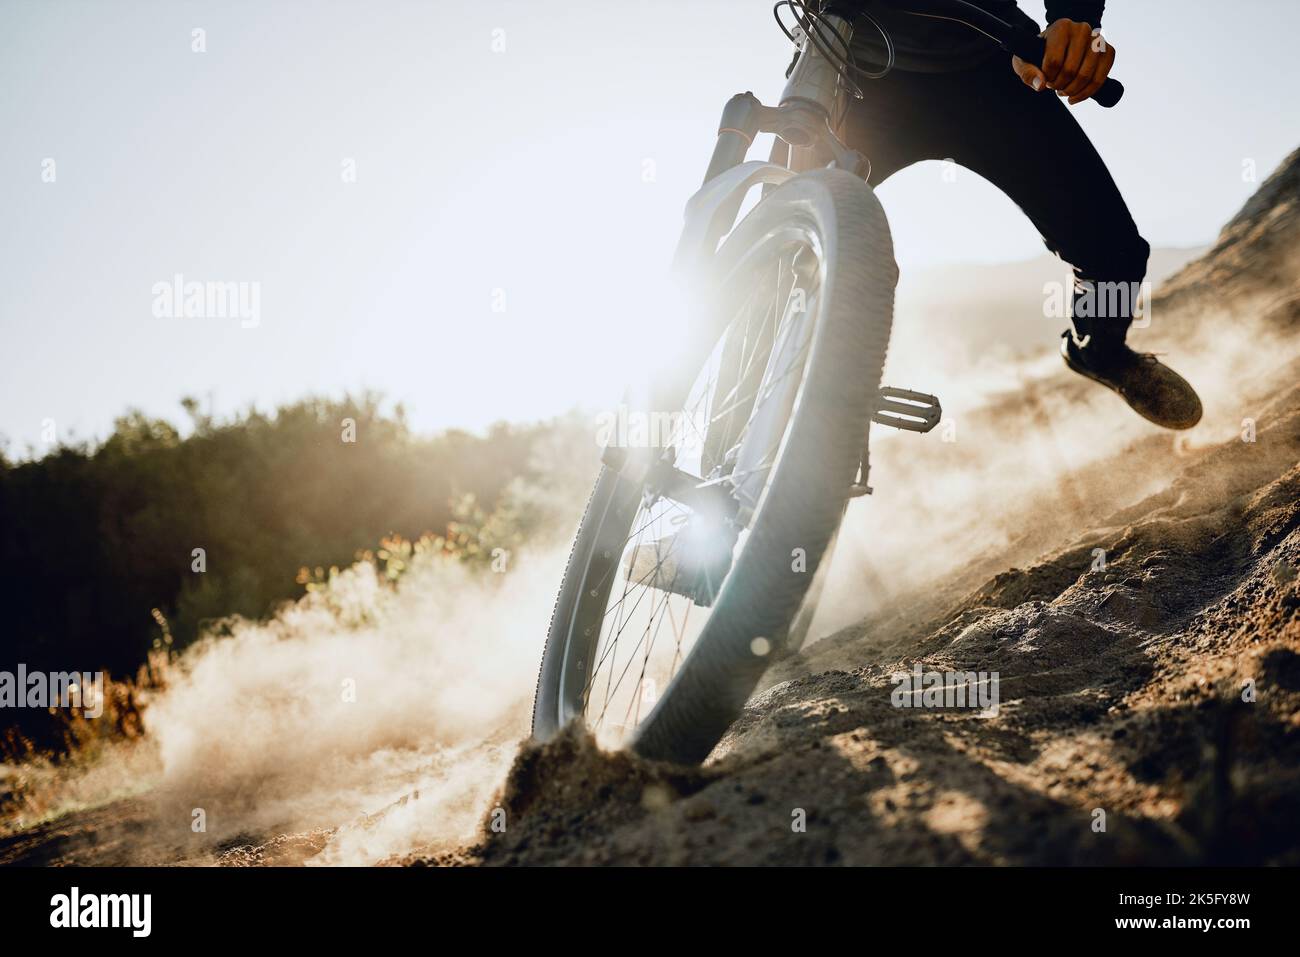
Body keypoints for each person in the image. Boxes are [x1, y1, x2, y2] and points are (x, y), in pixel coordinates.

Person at [840, 0, 1202, 429]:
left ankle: (1100, 351)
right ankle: (766, 396)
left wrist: (1075, 17)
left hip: (993, 59)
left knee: (1114, 259)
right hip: (848, 68)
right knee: (783, 257)